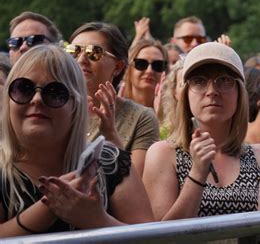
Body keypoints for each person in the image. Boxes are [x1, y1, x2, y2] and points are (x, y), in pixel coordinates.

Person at [0, 45, 153, 236]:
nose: (37, 99)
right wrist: (49, 207)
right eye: (24, 89)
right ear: (8, 99)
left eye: (55, 92)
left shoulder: (110, 162)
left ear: (76, 105)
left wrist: (97, 220)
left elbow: (151, 238)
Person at [143, 42, 260, 220]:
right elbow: (162, 236)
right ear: (185, 94)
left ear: (239, 93)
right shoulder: (163, 154)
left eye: (224, 80)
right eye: (199, 81)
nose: (212, 91)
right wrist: (198, 173)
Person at [67, 22, 159, 176]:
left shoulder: (140, 118)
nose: (81, 59)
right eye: (73, 51)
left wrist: (110, 135)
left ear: (118, 67)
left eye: (94, 52)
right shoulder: (51, 108)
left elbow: (137, 187)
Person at [122, 39, 168, 111]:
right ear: (128, 69)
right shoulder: (114, 109)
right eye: (141, 64)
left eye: (158, 65)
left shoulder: (173, 114)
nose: (149, 71)